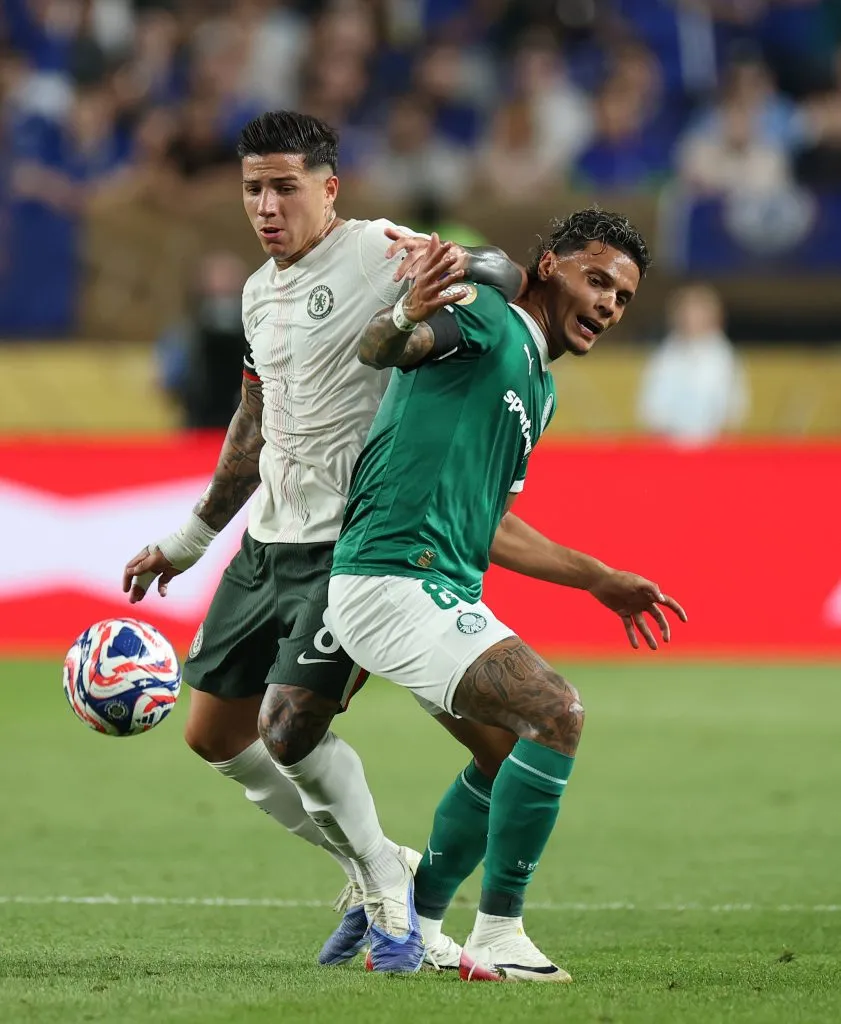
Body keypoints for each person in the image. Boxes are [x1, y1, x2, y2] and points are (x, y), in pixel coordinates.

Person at [120, 110, 526, 971]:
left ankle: (386, 891)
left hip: (352, 543)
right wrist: (189, 540)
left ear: (328, 188)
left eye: (284, 187)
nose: (266, 207)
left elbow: (506, 271)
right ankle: (381, 864)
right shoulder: (255, 292)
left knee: (287, 726)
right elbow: (253, 421)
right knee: (214, 736)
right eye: (252, 190)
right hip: (267, 539)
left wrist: (457, 266)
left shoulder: (378, 248)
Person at [323, 212, 688, 980]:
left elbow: (491, 526)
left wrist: (598, 578)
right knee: (556, 711)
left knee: (504, 761)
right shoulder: (490, 316)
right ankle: (498, 932)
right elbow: (385, 348)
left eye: (622, 297)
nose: (607, 304)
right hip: (395, 574)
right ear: (549, 266)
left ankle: (410, 926)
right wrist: (405, 316)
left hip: (437, 582)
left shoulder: (539, 388)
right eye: (596, 280)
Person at [637, 283, 749, 444]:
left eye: (699, 312)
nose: (692, 318)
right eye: (687, 312)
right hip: (669, 447)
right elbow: (651, 408)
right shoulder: (663, 357)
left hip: (714, 447)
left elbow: (734, 408)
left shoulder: (726, 359)